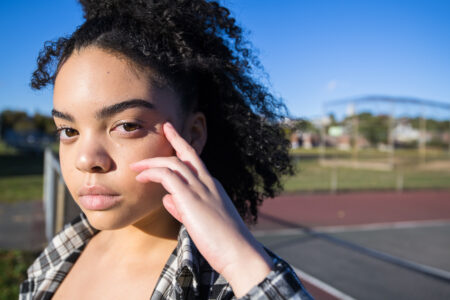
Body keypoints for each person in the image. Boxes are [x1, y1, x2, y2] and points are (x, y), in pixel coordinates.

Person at [20, 0, 313, 299]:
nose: (86, 160)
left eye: (127, 126)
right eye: (69, 131)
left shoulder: (228, 284)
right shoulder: (61, 252)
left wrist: (240, 259)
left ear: (193, 134)